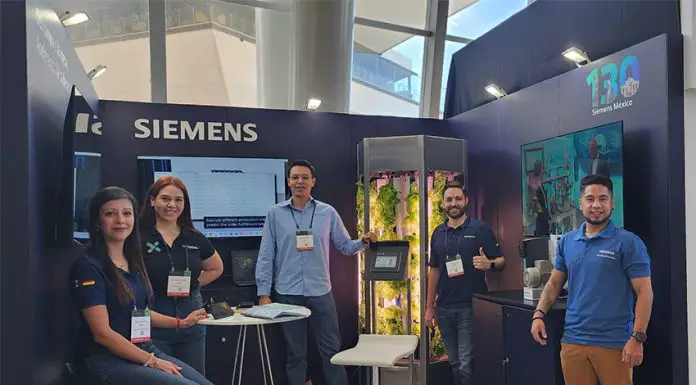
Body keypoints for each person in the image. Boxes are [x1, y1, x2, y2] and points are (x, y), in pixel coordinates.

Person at [68, 186, 212, 385]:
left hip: (143, 348)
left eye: (126, 213)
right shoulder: (88, 267)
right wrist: (152, 362)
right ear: (97, 221)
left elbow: (139, 311)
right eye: (110, 214)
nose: (120, 220)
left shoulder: (132, 260)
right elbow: (102, 334)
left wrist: (180, 322)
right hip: (108, 360)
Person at [255, 160, 377, 385]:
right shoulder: (275, 214)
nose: (299, 181)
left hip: (320, 293)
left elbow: (345, 246)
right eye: (295, 177)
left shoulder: (327, 212)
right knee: (295, 354)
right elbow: (265, 255)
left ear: (313, 181)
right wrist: (264, 293)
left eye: (304, 177)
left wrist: (364, 241)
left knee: (332, 353)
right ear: (288, 181)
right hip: (287, 294)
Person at [530, 174, 653, 385]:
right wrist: (539, 314)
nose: (596, 205)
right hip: (573, 341)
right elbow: (554, 283)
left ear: (612, 203)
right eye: (590, 199)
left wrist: (637, 338)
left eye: (603, 199)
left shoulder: (629, 243)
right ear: (580, 203)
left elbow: (645, 292)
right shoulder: (567, 242)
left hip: (614, 343)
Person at [139, 176, 224, 375]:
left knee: (193, 379)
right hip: (153, 322)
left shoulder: (193, 236)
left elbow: (216, 268)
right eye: (165, 199)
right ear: (153, 200)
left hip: (191, 322)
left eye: (178, 200)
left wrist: (192, 285)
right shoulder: (138, 236)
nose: (172, 205)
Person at [424, 180, 505, 385]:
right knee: (454, 362)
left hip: (469, 307)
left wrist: (490, 264)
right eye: (449, 199)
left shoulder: (480, 229)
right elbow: (433, 271)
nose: (454, 203)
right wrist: (429, 308)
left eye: (458, 199)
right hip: (443, 308)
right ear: (442, 203)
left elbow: (501, 260)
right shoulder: (438, 233)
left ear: (466, 200)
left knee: (465, 364)